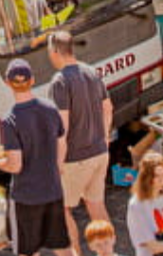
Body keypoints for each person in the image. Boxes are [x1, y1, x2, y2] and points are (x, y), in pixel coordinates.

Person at [0, 58, 71, 256]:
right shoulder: (50, 108)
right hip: (53, 190)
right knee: (62, 247)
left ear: (7, 83)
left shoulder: (10, 120)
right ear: (32, 80)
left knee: (27, 251)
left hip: (26, 198)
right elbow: (62, 143)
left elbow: (15, 166)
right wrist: (56, 169)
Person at [48, 30, 112, 255]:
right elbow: (108, 108)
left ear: (56, 52)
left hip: (76, 158)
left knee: (61, 210)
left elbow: (62, 129)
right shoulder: (92, 72)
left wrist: (57, 163)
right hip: (99, 153)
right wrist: (104, 139)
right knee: (96, 205)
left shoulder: (60, 82)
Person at [126, 153, 163, 256]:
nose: (161, 180)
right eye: (156, 176)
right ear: (146, 178)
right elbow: (154, 247)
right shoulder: (136, 205)